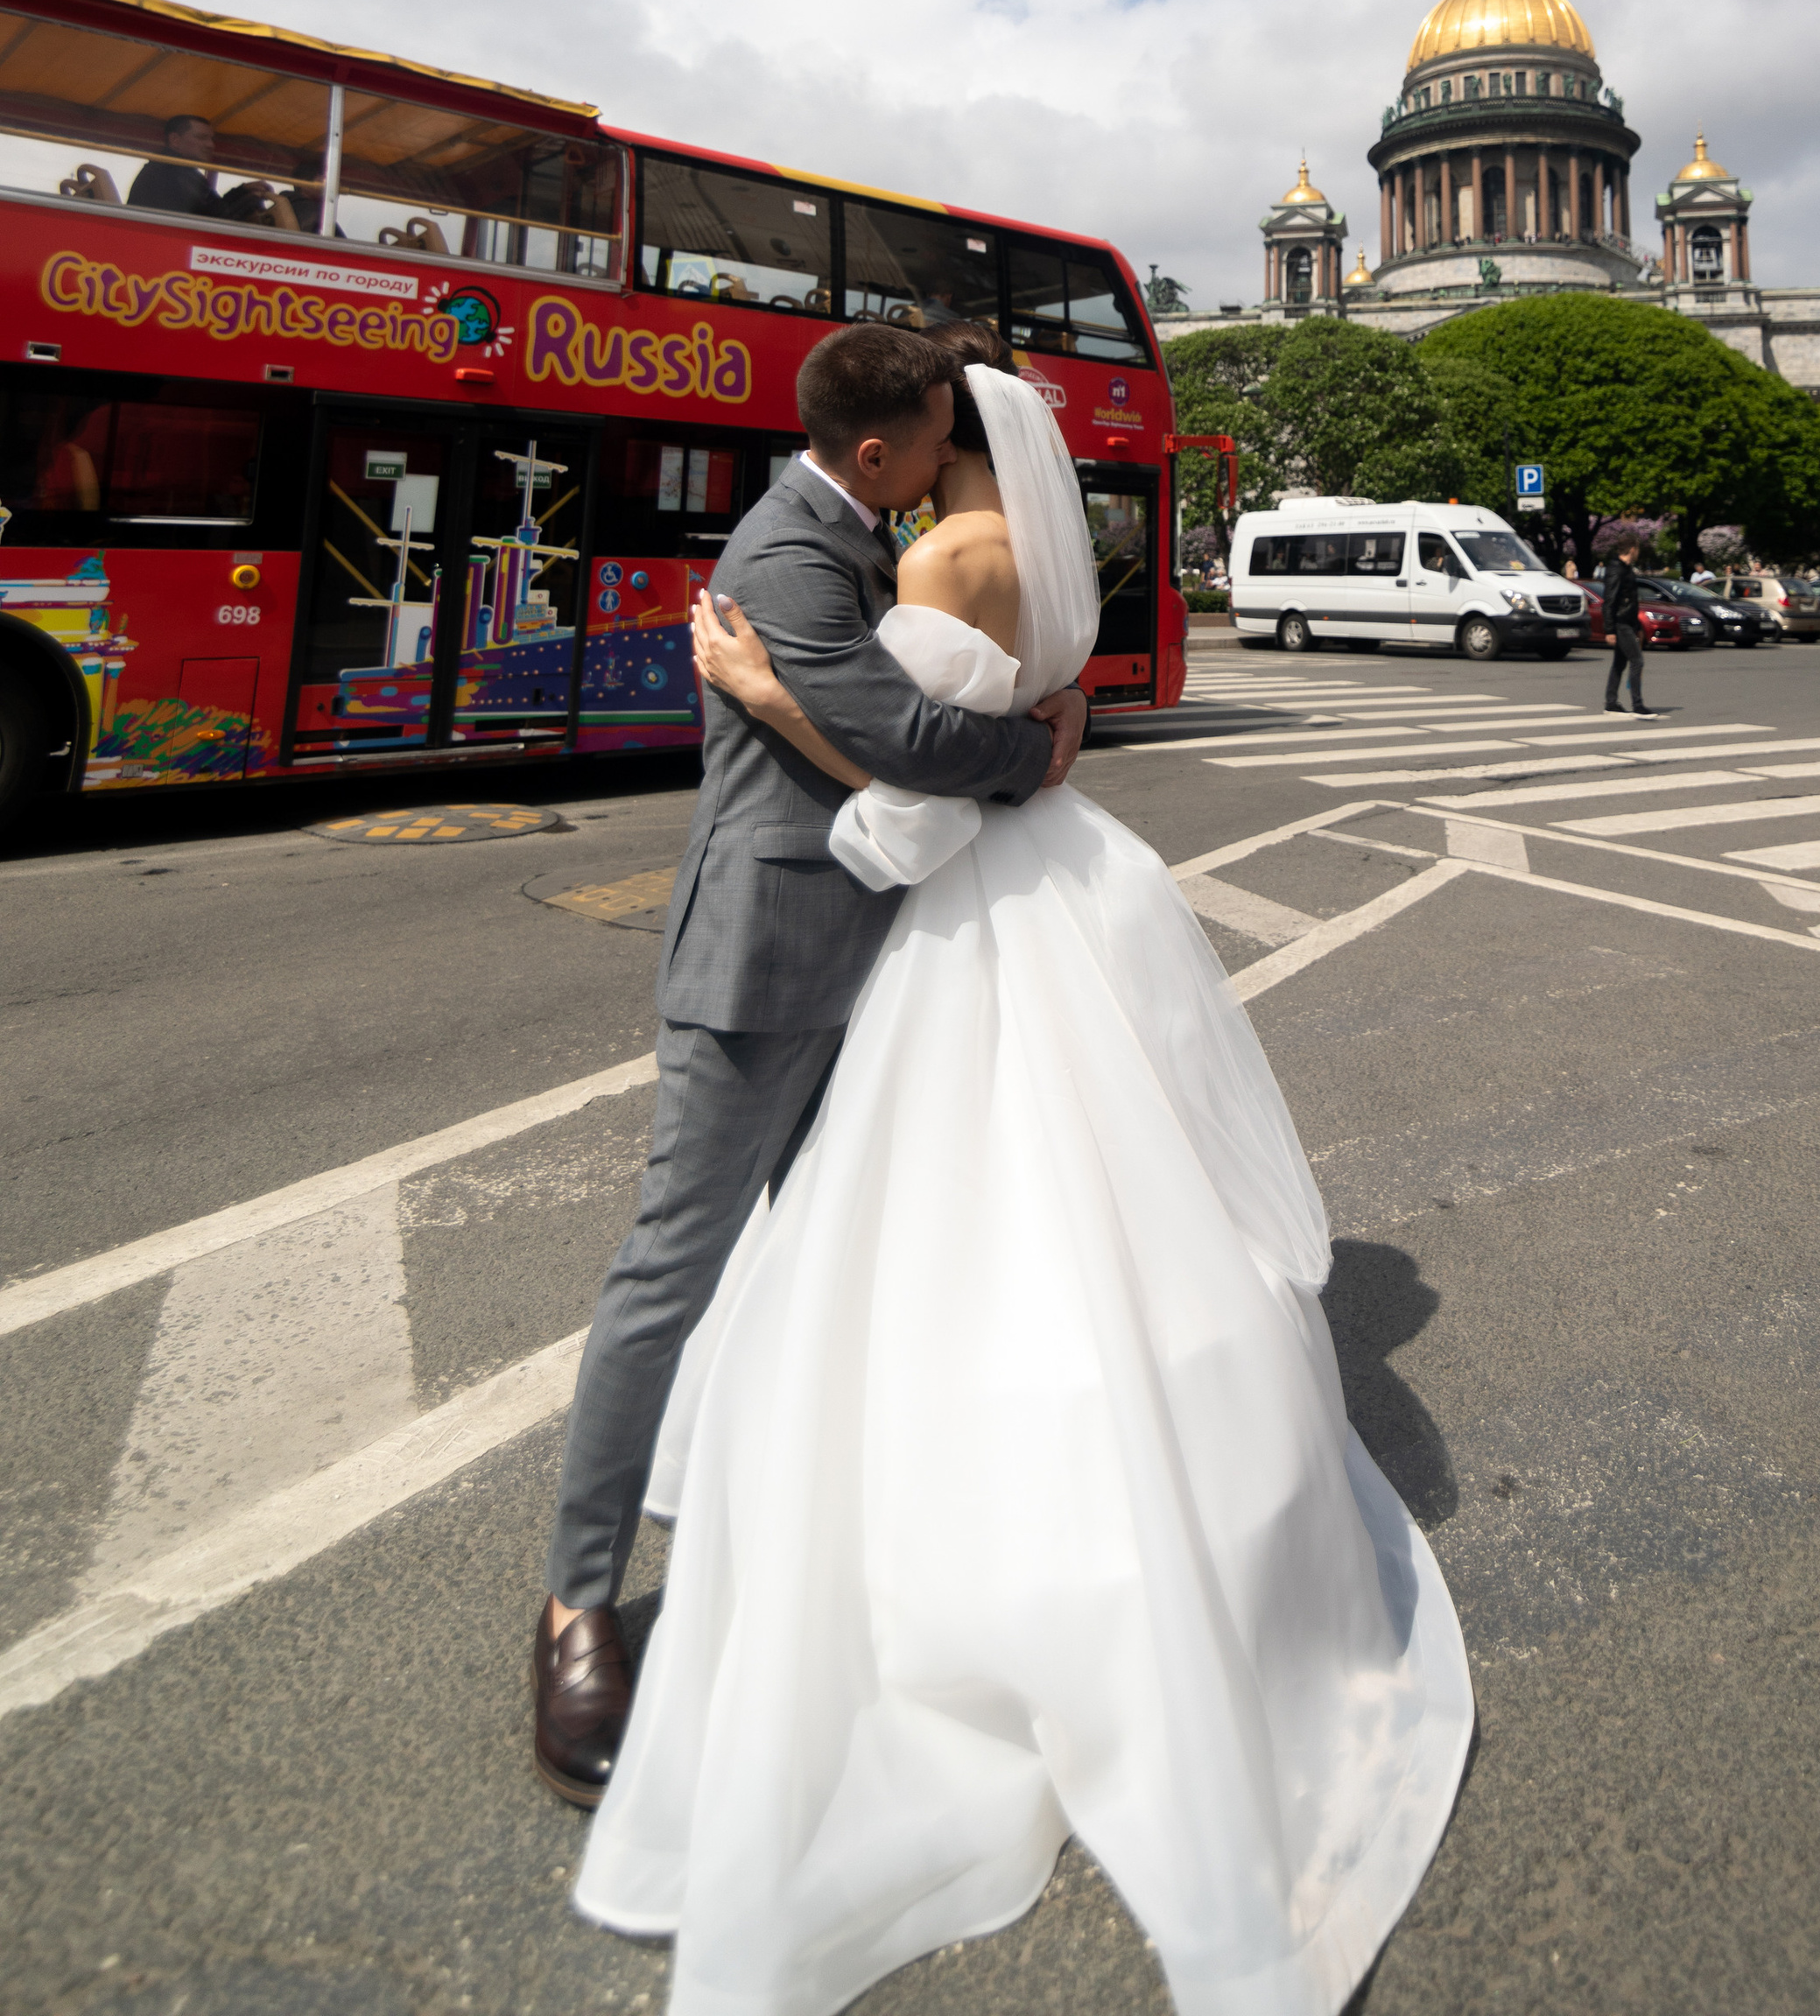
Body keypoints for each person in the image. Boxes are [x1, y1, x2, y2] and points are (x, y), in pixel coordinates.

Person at [573, 327, 1472, 2016]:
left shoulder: (930, 548)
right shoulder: (970, 554)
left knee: (903, 1228)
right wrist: (1031, 744)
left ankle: (856, 1518)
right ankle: (609, 1587)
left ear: (937, 438)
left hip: (933, 908)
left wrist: (768, 692)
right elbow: (983, 733)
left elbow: (914, 761)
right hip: (1021, 901)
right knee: (1044, 1212)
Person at [533, 323, 1087, 1809]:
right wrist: (1037, 754)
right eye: (924, 444)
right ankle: (577, 1604)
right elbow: (902, 733)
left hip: (888, 957)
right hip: (767, 962)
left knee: (864, 1258)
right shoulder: (788, 557)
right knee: (673, 1269)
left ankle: (835, 1533)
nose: (934, 472)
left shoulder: (856, 536)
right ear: (871, 454)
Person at [125, 112, 299, 226]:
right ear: (175, 140)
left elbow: (212, 207)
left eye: (211, 139)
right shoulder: (170, 173)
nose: (210, 145)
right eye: (201, 138)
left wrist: (243, 190)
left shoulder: (176, 170)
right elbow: (220, 220)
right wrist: (252, 199)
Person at [1602, 531, 1649, 714]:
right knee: (1637, 661)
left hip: (1628, 622)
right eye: (1638, 549)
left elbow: (1630, 601)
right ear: (1632, 549)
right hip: (1620, 623)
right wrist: (1610, 630)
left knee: (1619, 663)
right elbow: (1610, 600)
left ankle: (1611, 702)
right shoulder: (1616, 569)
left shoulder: (1627, 569)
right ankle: (1637, 705)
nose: (1638, 553)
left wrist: (1637, 627)